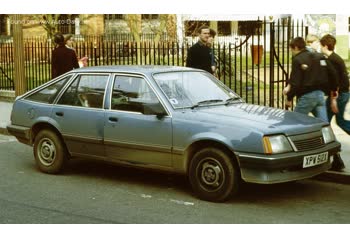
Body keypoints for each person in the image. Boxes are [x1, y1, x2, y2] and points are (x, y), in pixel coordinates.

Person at [320, 34, 350, 171]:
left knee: (323, 123)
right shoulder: (335, 58)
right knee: (338, 122)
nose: (320, 48)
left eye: (321, 45)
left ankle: (335, 156)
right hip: (342, 94)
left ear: (325, 46)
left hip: (338, 96)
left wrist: (333, 100)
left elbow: (336, 82)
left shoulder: (332, 60)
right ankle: (336, 157)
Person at [284, 37, 331, 122]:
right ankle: (327, 135)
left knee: (294, 121)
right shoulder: (319, 57)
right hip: (320, 94)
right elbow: (330, 73)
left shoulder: (297, 59)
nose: (291, 52)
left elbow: (296, 82)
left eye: (291, 49)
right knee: (324, 124)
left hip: (307, 96)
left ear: (296, 47)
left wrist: (289, 98)